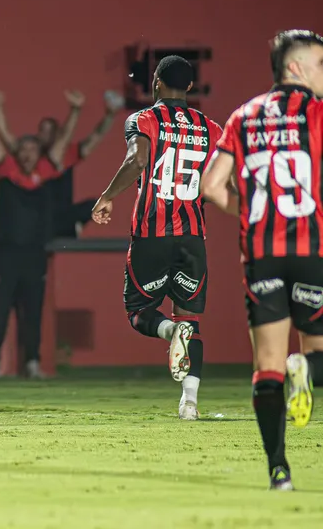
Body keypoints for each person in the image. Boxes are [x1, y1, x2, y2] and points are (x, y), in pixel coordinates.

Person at [202, 29, 323, 491]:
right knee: (313, 355)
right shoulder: (316, 114)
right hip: (311, 249)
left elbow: (212, 187)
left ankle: (279, 471)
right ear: (295, 68)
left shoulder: (243, 116)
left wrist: (254, 208)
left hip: (261, 254)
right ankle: (307, 370)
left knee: (267, 366)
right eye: (319, 63)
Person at [91, 56, 221, 420]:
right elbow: (219, 180)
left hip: (152, 232)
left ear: (156, 82)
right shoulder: (211, 128)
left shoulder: (144, 119)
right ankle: (190, 404)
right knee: (190, 319)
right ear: (191, 88)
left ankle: (167, 333)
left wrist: (106, 197)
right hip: (193, 236)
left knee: (138, 311)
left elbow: (137, 160)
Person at [0, 87, 68, 379]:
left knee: (33, 314)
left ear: (39, 154)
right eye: (23, 149)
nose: (28, 154)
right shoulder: (6, 171)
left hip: (35, 255)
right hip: (5, 253)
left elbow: (63, 143)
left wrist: (76, 112)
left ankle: (32, 362)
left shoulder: (47, 173)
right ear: (17, 153)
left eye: (33, 150)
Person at [0, 89, 121, 237]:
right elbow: (5, 134)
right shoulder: (28, 153)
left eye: (51, 131)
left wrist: (110, 115)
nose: (45, 135)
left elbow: (95, 136)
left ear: (58, 134)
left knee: (95, 205)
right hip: (31, 217)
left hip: (59, 215)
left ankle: (69, 229)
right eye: (42, 130)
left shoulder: (66, 155)